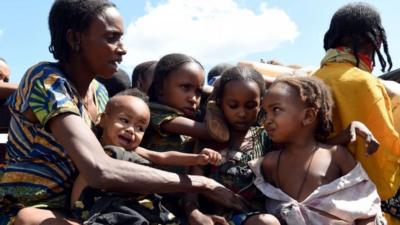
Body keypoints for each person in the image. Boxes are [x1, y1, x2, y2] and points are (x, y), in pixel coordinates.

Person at [0, 1, 246, 225]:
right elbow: (100, 169)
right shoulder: (46, 80)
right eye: (111, 37)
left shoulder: (100, 94)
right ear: (75, 39)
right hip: (26, 209)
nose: (123, 49)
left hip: (84, 209)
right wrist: (200, 182)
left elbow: (130, 156)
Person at [70, 88, 222, 224]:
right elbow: (85, 176)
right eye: (125, 120)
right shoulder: (98, 151)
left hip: (143, 208)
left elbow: (164, 157)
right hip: (109, 210)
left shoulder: (134, 150)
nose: (131, 130)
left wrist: (197, 158)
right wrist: (75, 210)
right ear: (103, 120)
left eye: (140, 128)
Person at [254, 76, 385, 224]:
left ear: (308, 116)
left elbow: (366, 206)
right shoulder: (270, 163)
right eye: (265, 113)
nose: (267, 120)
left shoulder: (336, 156)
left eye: (276, 109)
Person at [312, 3, 400, 222]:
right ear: (374, 40)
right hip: (365, 202)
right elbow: (383, 155)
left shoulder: (311, 80)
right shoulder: (367, 84)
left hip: (318, 197)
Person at [185, 66, 280, 225]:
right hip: (211, 218)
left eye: (250, 106)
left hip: (250, 216)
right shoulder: (210, 138)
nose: (241, 113)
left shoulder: (267, 138)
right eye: (233, 105)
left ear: (261, 104)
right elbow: (193, 185)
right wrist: (193, 212)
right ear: (221, 103)